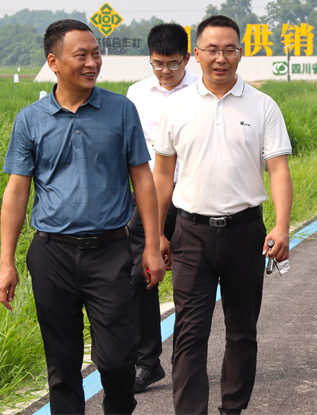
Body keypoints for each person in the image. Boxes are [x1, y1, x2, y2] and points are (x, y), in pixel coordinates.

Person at [0, 19, 166, 414]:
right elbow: (17, 191)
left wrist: (152, 245)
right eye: (82, 56)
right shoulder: (30, 119)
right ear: (53, 62)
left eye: (96, 54)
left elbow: (142, 179)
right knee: (62, 363)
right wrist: (7, 263)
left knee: (118, 360)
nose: (93, 63)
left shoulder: (121, 110)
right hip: (51, 254)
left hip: (111, 252)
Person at [152, 15, 293, 415]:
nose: (220, 58)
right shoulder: (177, 107)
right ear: (195, 54)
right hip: (190, 233)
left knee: (242, 332)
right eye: (211, 49)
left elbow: (279, 171)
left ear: (240, 53)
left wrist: (281, 227)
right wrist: (155, 234)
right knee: (190, 333)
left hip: (245, 231)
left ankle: (233, 408)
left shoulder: (263, 105)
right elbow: (163, 175)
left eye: (229, 49)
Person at [125, 23, 198, 393]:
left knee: (191, 282)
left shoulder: (202, 92)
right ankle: (147, 362)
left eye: (172, 63)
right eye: (158, 64)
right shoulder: (136, 94)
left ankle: (187, 361)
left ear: (187, 58)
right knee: (142, 277)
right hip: (150, 199)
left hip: (191, 200)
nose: (165, 71)